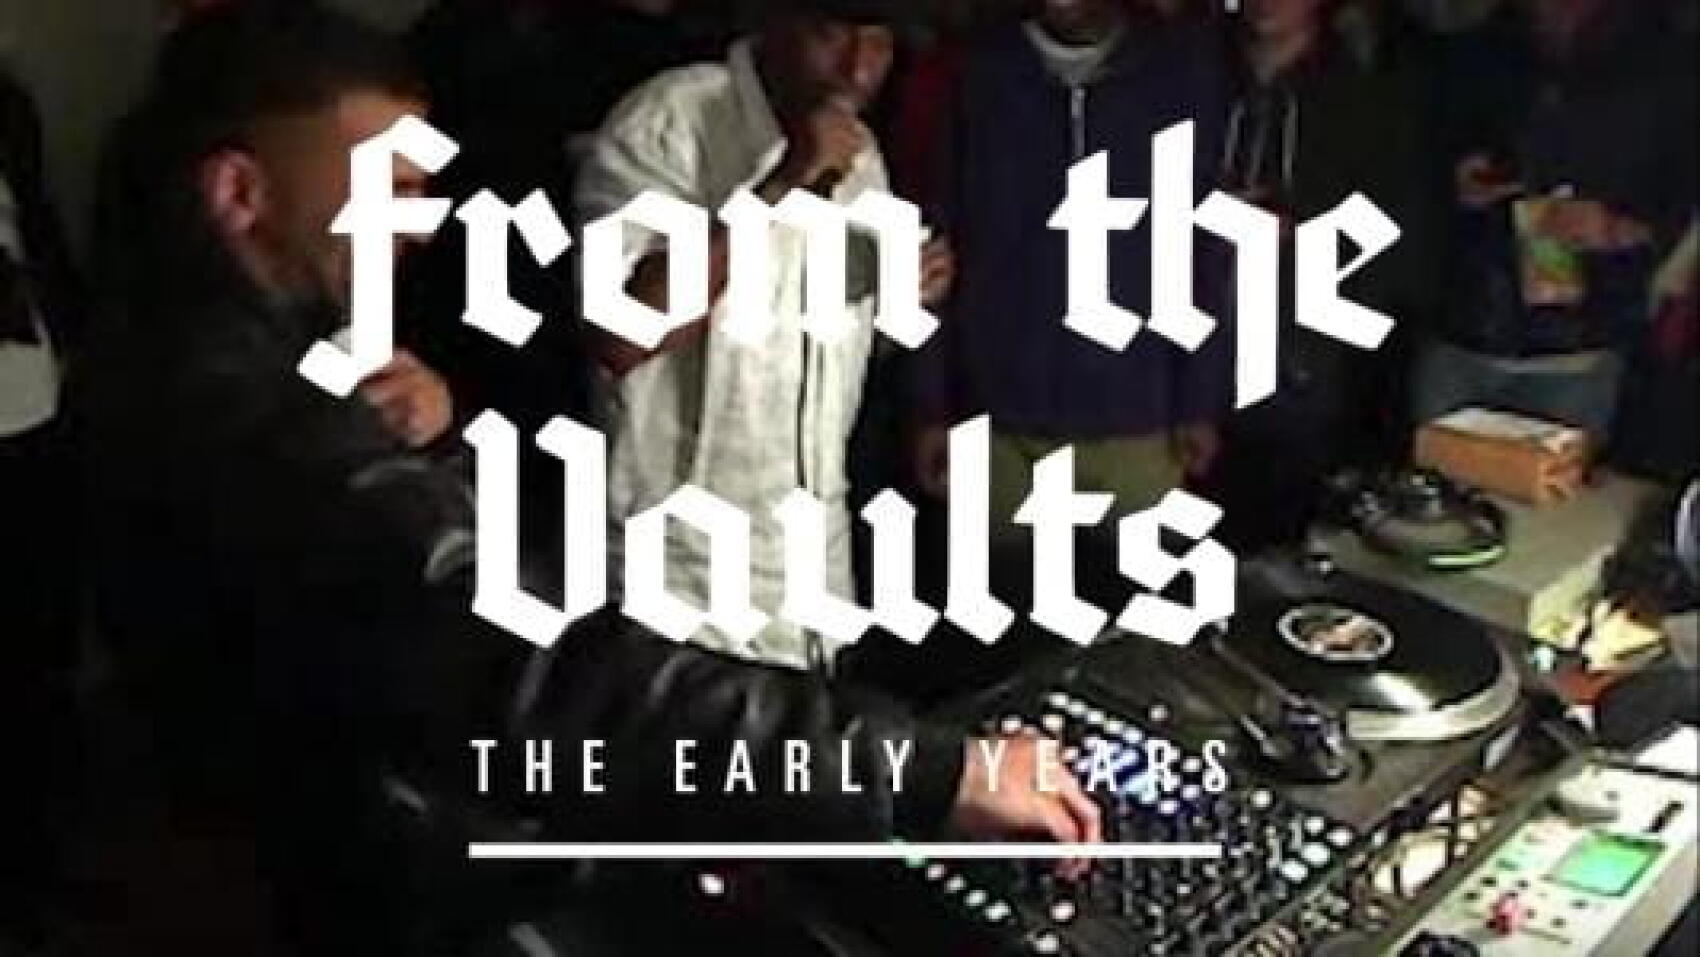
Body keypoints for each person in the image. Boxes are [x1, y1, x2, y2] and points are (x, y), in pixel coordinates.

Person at [84, 4, 1094, 951]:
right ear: (239, 194)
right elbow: (525, 663)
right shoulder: (244, 410)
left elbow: (402, 582)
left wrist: (437, 437)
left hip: (785, 597)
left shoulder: (239, 356)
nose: (420, 224)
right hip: (391, 856)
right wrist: (930, 767)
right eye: (393, 187)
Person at [574, 0, 957, 670]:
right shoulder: (670, 120)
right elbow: (621, 332)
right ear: (774, 19)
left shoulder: (861, 157)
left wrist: (906, 295)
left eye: (878, 44)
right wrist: (782, 183)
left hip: (811, 573)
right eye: (832, 32)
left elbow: (832, 356)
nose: (857, 69)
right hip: (679, 575)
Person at [911, 0, 1232, 556]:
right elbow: (933, 252)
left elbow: (1204, 248)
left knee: (1145, 606)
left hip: (1141, 421)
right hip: (998, 423)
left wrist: (1199, 398)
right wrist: (930, 405)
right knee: (1000, 606)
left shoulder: (1179, 77)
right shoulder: (976, 76)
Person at [1411, 0, 1696, 450]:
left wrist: (1620, 227)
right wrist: (1457, 175)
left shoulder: (1665, 58)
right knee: (1438, 487)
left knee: (1553, 490)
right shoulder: (1480, 46)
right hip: (1462, 327)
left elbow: (1683, 191)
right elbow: (1419, 155)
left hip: (1580, 345)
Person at [1201, 0, 1433, 550]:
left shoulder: (1361, 97)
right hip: (1191, 341)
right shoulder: (1197, 74)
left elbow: (1394, 232)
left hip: (1297, 356)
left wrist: (1302, 232)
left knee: (1275, 535)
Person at [0, 64, 84, 950]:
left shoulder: (6, 99)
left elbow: (40, 232)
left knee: (36, 651)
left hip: (33, 415)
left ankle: (37, 867)